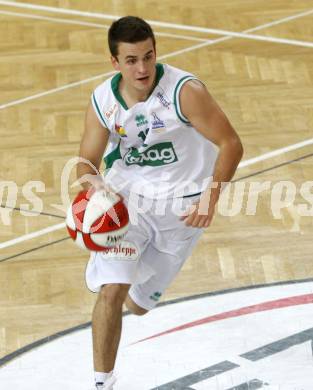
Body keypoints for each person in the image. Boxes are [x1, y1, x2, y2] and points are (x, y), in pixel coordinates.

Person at [77, 15, 243, 390]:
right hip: (128, 203)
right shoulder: (104, 99)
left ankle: (137, 291)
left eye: (148, 57)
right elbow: (87, 162)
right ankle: (103, 382)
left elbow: (231, 144)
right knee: (112, 289)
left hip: (181, 209)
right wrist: (93, 192)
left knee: (137, 304)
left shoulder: (184, 92)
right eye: (132, 60)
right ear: (115, 63)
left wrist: (210, 198)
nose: (143, 68)